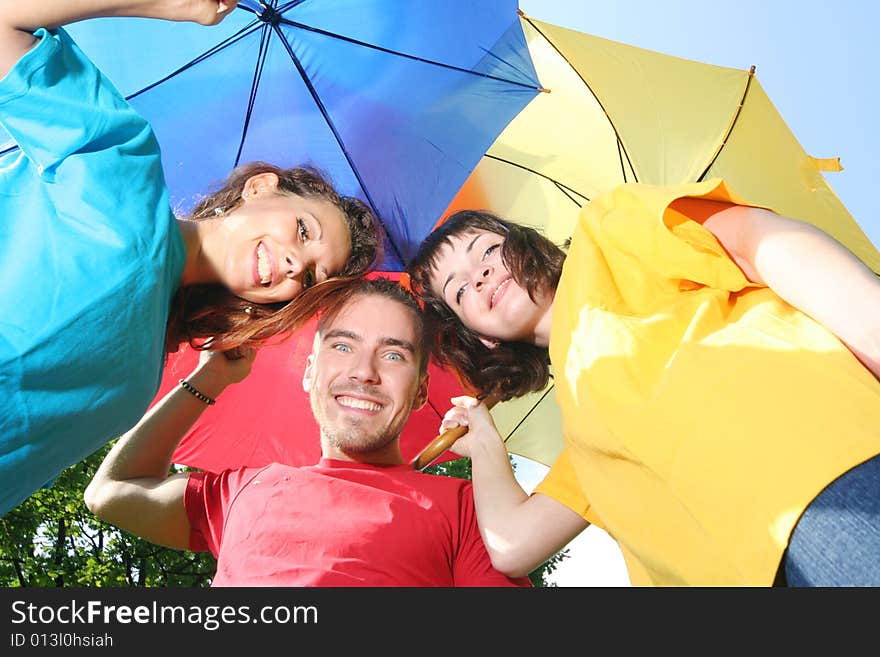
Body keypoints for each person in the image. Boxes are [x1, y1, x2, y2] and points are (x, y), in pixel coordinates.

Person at [0, 1, 381, 515]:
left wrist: (211, 379)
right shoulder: (121, 161)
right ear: (260, 187)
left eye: (312, 276)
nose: (296, 266)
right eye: (303, 231)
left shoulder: (142, 376)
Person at [407, 179, 880, 586]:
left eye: (487, 249)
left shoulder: (606, 233)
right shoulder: (588, 426)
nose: (482, 273)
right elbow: (513, 543)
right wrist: (486, 445)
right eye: (461, 288)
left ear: (527, 243)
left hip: (824, 484)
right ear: (481, 339)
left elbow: (758, 242)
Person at [84, 277, 531, 587]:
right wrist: (209, 379)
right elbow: (111, 492)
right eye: (342, 346)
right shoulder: (241, 488)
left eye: (393, 355)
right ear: (310, 372)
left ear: (420, 391)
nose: (364, 372)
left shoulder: (469, 512)